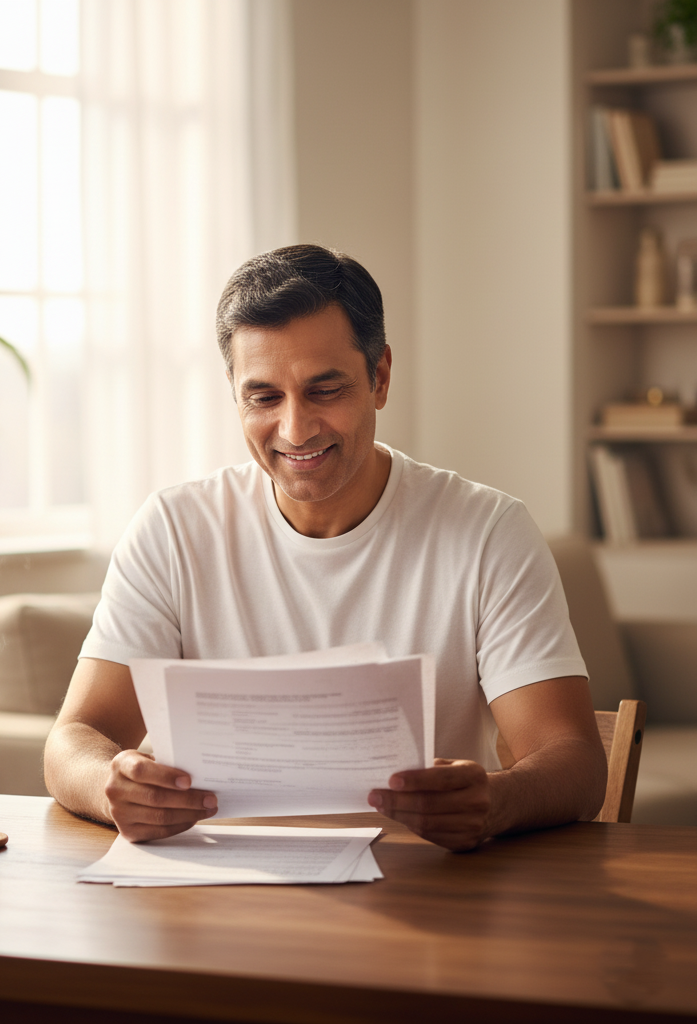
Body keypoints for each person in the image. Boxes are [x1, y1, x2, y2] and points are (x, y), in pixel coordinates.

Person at [44, 244, 607, 852]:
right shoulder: (173, 529)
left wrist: (496, 802)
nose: (295, 429)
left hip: (419, 886)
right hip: (212, 888)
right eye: (263, 397)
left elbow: (573, 761)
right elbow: (74, 738)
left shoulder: (487, 530)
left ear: (380, 377)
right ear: (233, 391)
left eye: (324, 390)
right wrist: (112, 786)